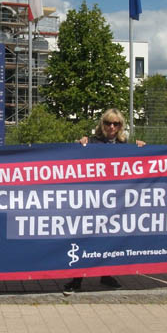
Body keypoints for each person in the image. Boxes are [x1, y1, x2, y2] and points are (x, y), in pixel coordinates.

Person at [63, 109, 144, 296]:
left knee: (108, 238)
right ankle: (77, 279)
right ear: (102, 124)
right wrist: (79, 144)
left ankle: (106, 275)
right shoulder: (91, 143)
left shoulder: (125, 145)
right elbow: (73, 159)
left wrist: (143, 150)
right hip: (91, 201)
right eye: (108, 123)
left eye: (116, 124)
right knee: (85, 238)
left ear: (121, 126)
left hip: (114, 202)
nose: (112, 127)